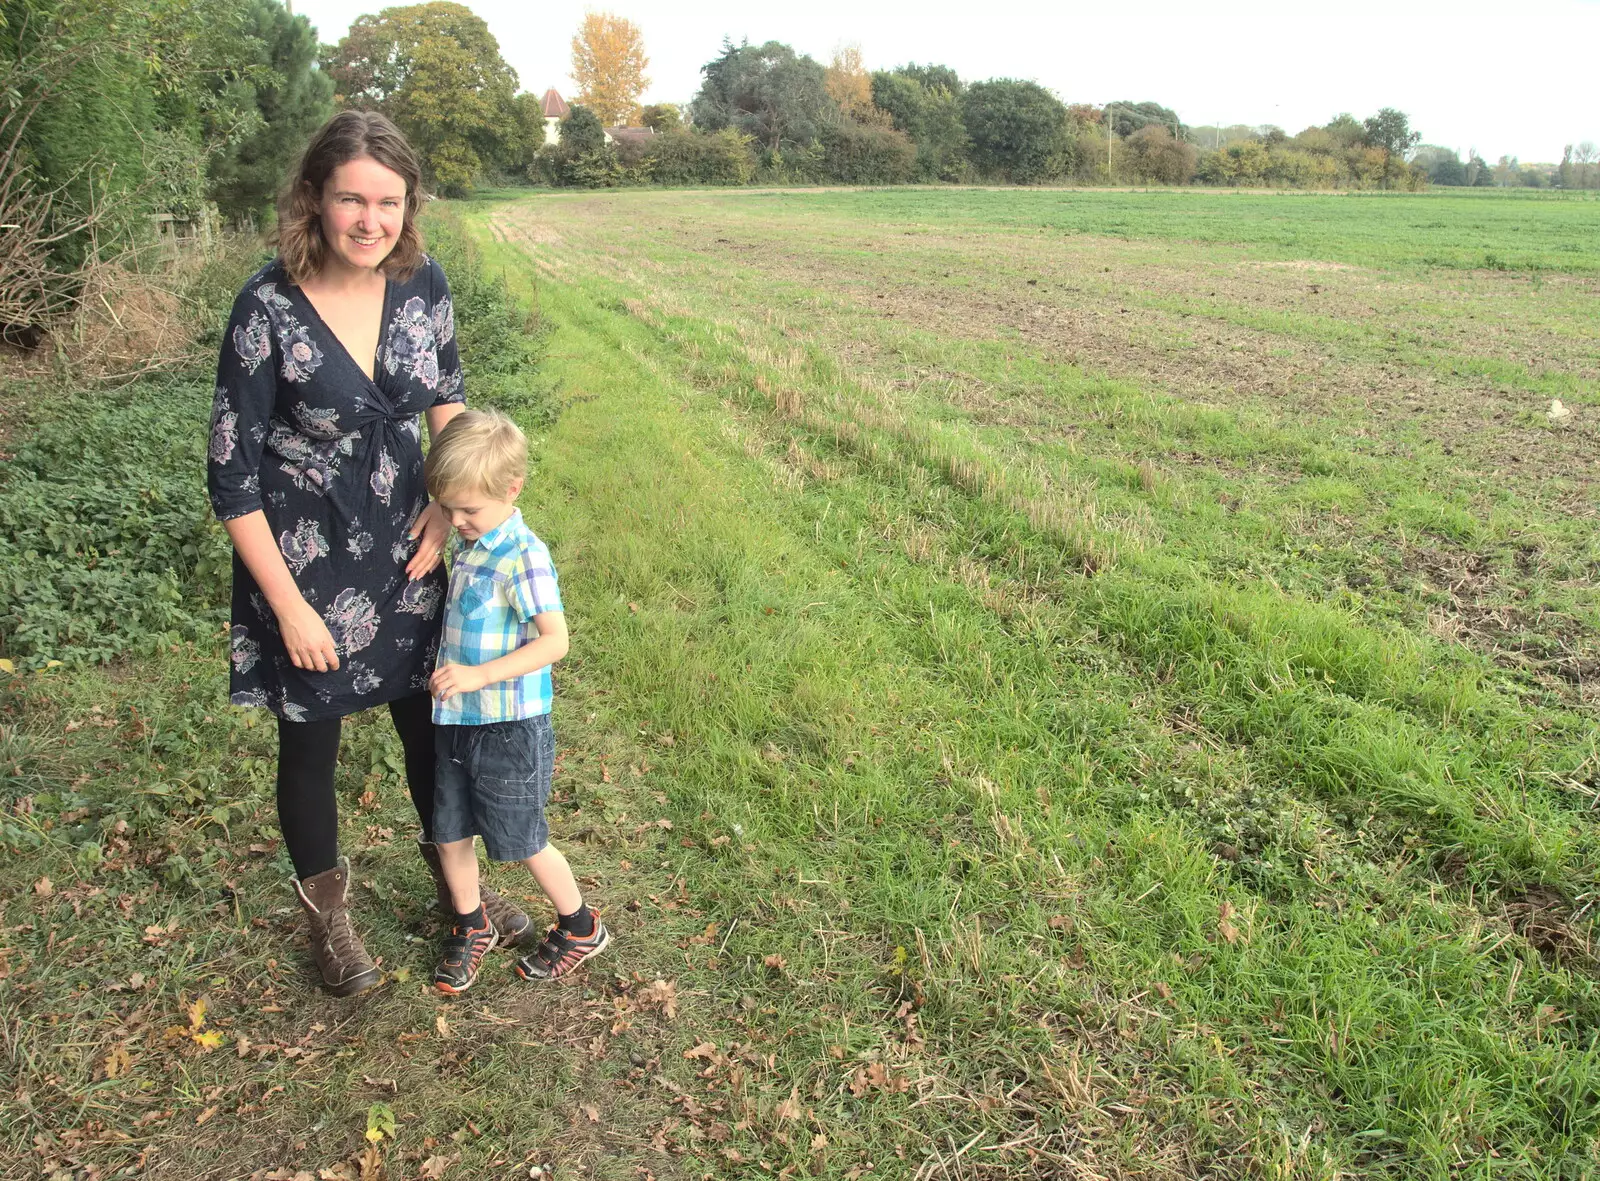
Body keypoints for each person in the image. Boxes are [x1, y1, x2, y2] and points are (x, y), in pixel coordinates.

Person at [207, 111, 531, 997]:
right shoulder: (265, 306)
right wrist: (289, 605)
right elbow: (230, 473)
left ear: (408, 207)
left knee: (431, 725)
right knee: (309, 744)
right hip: (303, 557)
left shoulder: (423, 280)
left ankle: (458, 895)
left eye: (387, 201)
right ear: (315, 197)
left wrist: (441, 502)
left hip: (411, 548)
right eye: (351, 197)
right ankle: (330, 920)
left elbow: (449, 400)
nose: (369, 220)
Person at [423, 409, 610, 993]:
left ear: (512, 489)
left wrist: (479, 676)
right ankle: (471, 923)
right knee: (448, 830)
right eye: (447, 509)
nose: (455, 521)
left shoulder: (523, 555)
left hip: (508, 725)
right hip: (457, 720)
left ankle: (580, 925)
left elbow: (555, 641)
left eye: (467, 511)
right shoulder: (474, 543)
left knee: (521, 836)